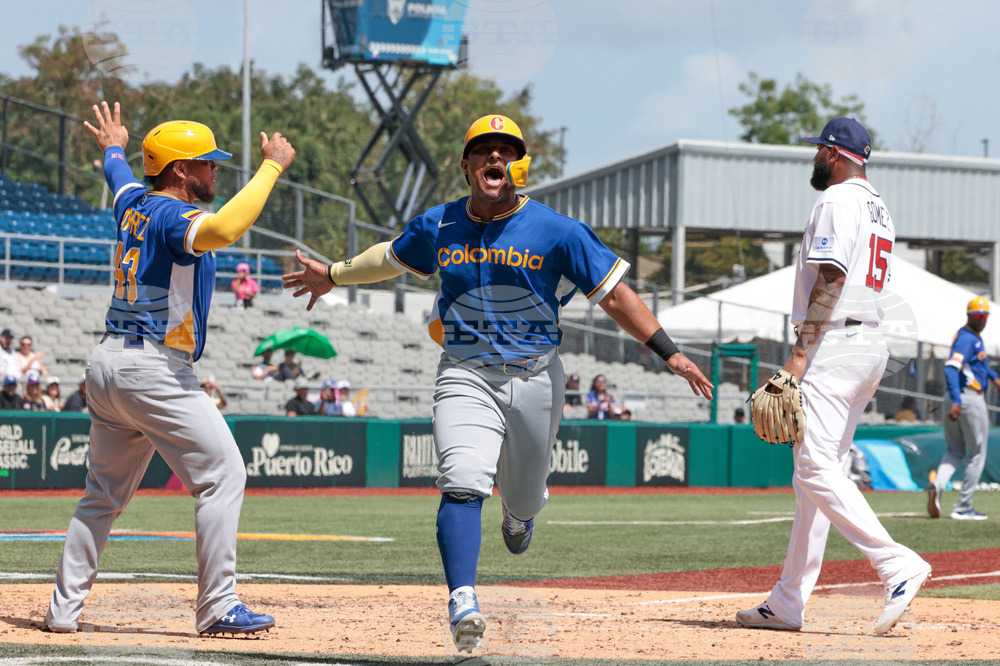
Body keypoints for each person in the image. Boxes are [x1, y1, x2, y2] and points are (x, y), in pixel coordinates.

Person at [282, 113, 714, 653]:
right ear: (465, 166)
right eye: (484, 149)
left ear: (520, 165)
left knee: (525, 497)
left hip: (537, 378)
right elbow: (389, 257)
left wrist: (669, 352)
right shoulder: (439, 225)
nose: (495, 157)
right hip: (465, 372)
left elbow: (615, 295)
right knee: (462, 480)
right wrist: (333, 273)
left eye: (507, 150)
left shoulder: (558, 231)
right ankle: (463, 599)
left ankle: (519, 513)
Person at [44, 101, 294, 636]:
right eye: (207, 162)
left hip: (107, 363)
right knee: (223, 475)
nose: (214, 170)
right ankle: (217, 606)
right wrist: (271, 166)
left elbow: (118, 175)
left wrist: (114, 146)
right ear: (181, 170)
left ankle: (63, 612)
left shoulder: (133, 202)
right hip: (152, 368)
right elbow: (225, 229)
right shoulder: (171, 215)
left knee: (101, 497)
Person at [736, 118, 931, 636]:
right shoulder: (877, 205)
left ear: (836, 154)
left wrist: (798, 357)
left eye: (820, 149)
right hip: (868, 342)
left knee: (814, 469)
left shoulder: (837, 200)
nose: (814, 157)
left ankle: (896, 564)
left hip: (836, 343)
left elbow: (832, 275)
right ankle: (787, 602)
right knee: (815, 479)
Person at [927, 297, 999, 521]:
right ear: (969, 316)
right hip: (967, 399)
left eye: (984, 316)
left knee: (955, 450)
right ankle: (963, 507)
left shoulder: (969, 336)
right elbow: (951, 367)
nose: (981, 319)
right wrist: (958, 401)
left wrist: (994, 377)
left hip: (956, 398)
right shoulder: (968, 339)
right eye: (977, 315)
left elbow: (979, 366)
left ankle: (938, 486)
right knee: (977, 454)